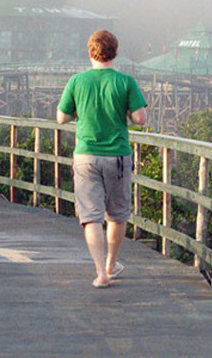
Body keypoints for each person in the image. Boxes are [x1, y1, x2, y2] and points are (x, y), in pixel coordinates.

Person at [57, 30, 147, 288]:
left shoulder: (77, 81)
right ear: (115, 52)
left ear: (90, 52)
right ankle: (111, 263)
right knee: (116, 215)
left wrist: (79, 113)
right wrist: (125, 111)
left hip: (86, 155)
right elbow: (140, 119)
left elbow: (61, 118)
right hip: (117, 155)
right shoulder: (125, 82)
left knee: (91, 217)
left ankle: (100, 273)